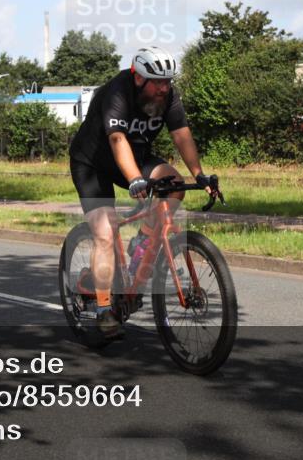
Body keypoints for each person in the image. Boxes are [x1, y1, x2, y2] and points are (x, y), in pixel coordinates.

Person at [68, 46, 211, 339]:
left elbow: (181, 134)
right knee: (105, 234)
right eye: (158, 82)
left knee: (174, 186)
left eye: (168, 81)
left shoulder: (168, 96)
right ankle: (105, 309)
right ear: (138, 78)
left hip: (135, 156)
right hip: (93, 163)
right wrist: (135, 178)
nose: (164, 88)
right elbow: (117, 137)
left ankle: (141, 246)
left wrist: (200, 175)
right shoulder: (117, 92)